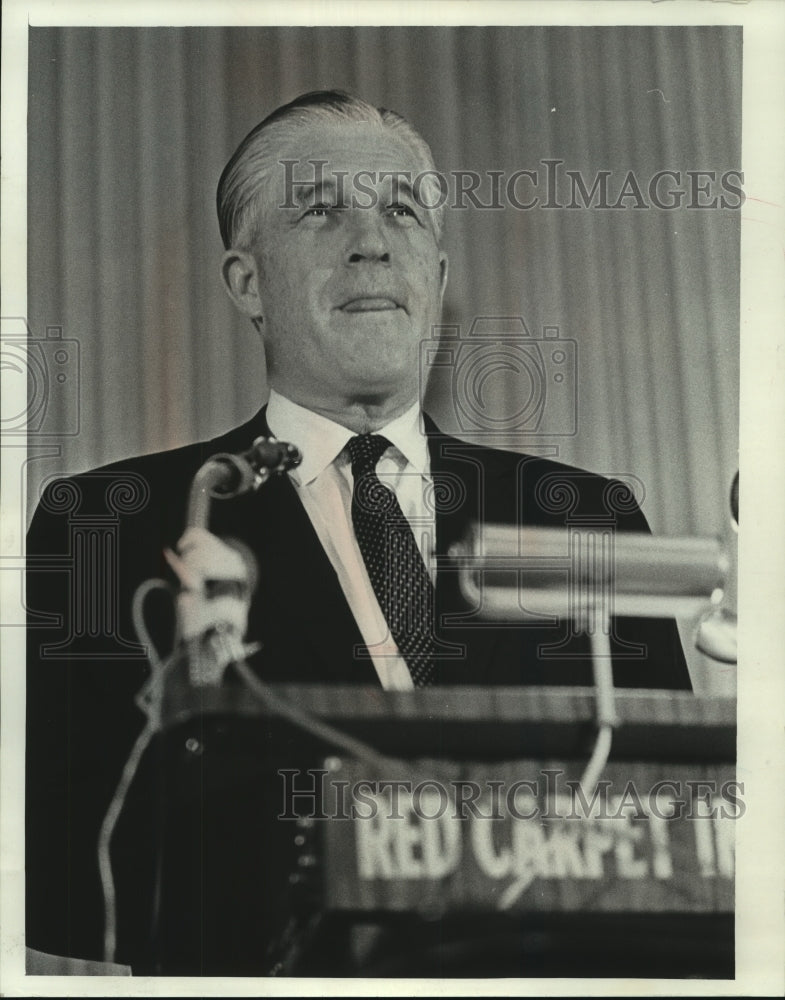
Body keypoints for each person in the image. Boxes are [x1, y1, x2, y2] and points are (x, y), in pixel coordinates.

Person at [25, 90, 691, 974]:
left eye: (402, 212)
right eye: (321, 209)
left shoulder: (585, 517)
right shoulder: (113, 523)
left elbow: (682, 826)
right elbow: (66, 866)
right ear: (248, 282)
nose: (372, 242)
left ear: (439, 277)